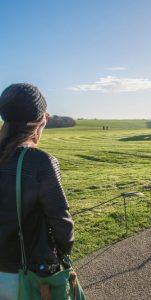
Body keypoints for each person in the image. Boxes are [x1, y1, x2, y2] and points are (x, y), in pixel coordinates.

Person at [0, 83, 74, 299]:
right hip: (25, 275)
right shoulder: (40, 162)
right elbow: (62, 222)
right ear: (40, 120)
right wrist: (62, 253)